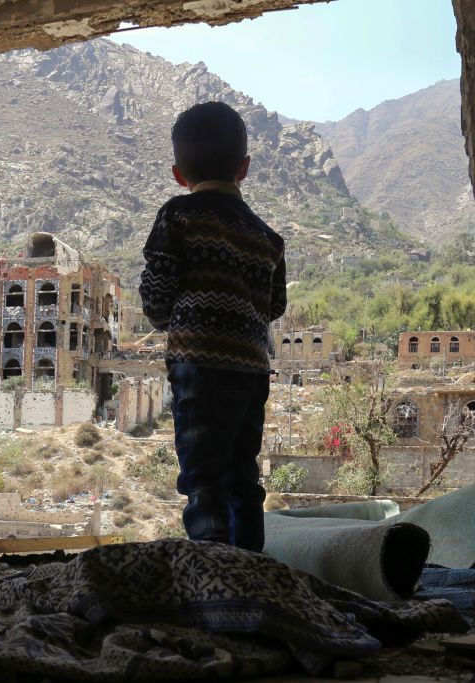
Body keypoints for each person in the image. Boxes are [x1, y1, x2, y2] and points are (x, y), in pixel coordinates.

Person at [139, 101, 287, 552]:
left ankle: (215, 574)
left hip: (198, 370)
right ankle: (251, 574)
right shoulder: (267, 237)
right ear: (244, 168)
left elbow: (157, 295)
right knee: (244, 477)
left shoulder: (178, 216)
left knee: (203, 479)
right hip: (251, 371)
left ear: (178, 174)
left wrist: (176, 321)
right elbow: (274, 306)